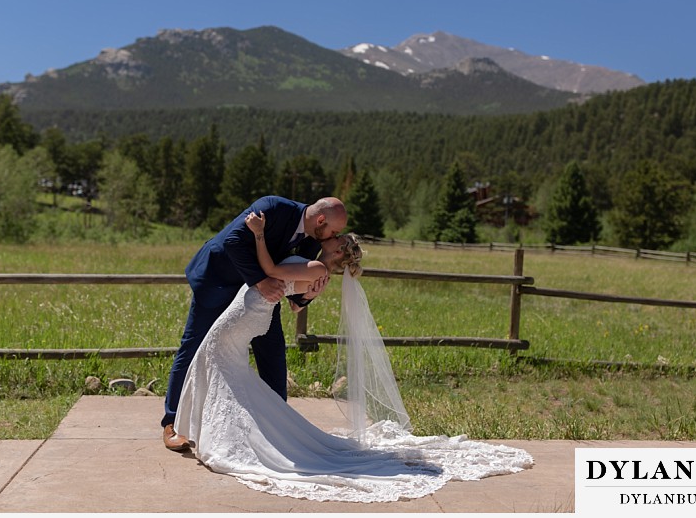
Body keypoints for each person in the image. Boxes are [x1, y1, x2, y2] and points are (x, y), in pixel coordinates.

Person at [172, 209, 534, 503]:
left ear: (336, 254)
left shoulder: (315, 269)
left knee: (218, 363)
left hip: (246, 315)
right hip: (251, 315)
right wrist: (301, 295)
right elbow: (297, 304)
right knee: (226, 371)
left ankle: (225, 432)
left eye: (336, 242)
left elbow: (270, 273)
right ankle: (235, 429)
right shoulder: (317, 270)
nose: (329, 240)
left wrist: (260, 235)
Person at [161, 195, 347, 451]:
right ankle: (172, 423)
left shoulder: (313, 239)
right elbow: (232, 242)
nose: (332, 237)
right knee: (193, 345)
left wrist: (306, 297)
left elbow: (294, 282)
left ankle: (277, 426)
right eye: (334, 231)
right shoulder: (272, 207)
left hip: (258, 298)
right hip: (220, 279)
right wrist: (261, 281)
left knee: (273, 354)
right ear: (321, 219)